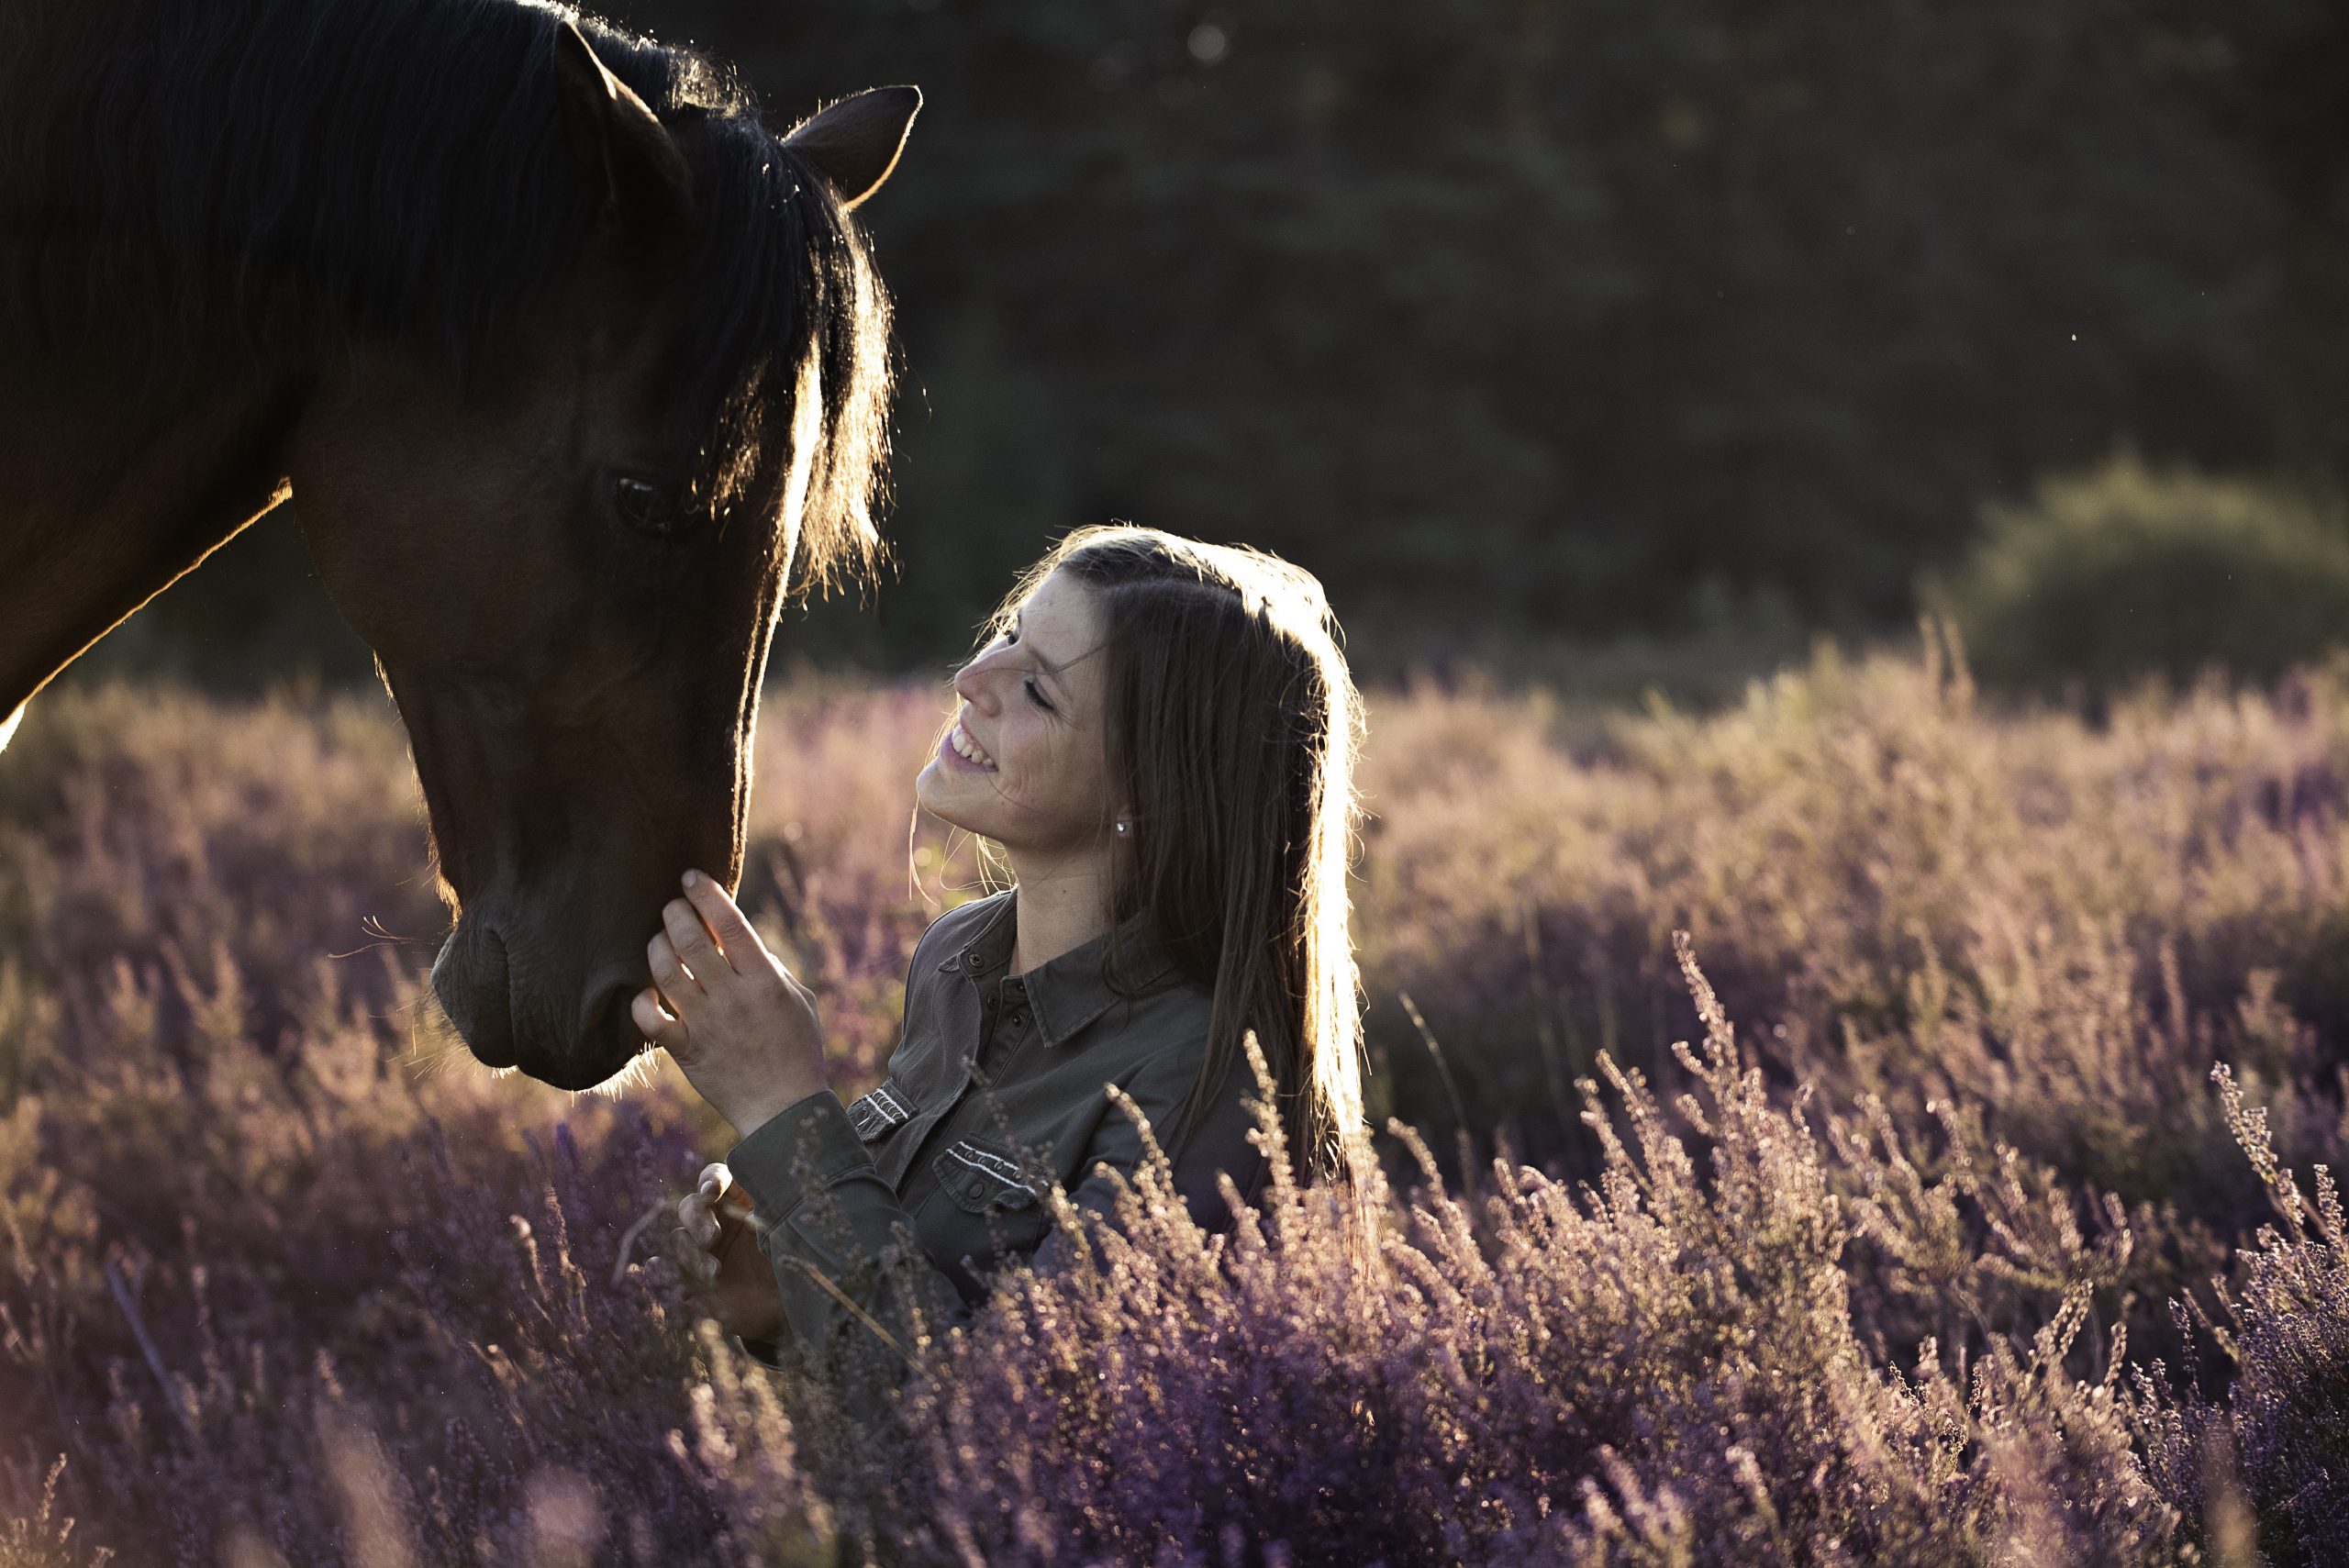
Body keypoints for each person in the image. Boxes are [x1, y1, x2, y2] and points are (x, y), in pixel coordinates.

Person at [643, 525, 1371, 1421]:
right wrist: (775, 1305)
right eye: (1009, 635)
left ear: (1146, 793)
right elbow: (906, 1337)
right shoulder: (954, 961)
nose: (968, 680)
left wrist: (783, 1109)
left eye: (1035, 687)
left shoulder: (1207, 1085)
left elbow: (999, 1439)